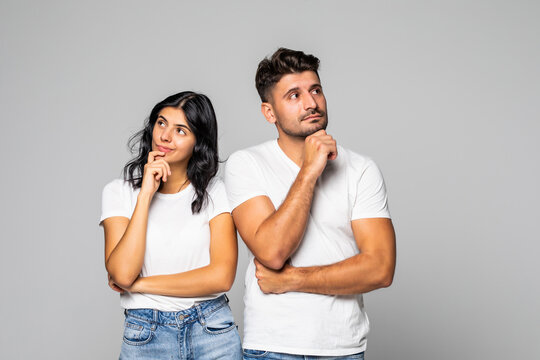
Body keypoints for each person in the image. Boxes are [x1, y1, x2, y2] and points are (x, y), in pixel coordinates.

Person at [224, 48, 396, 359]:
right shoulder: (246, 164)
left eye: (316, 90)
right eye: (293, 95)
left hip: (343, 348)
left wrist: (293, 280)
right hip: (273, 347)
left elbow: (380, 268)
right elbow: (273, 252)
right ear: (269, 112)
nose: (311, 103)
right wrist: (309, 170)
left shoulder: (361, 169)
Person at [100, 91, 242, 359]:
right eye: (161, 123)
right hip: (146, 334)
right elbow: (121, 273)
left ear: (197, 142)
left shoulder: (216, 192)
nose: (165, 136)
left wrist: (139, 285)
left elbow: (221, 276)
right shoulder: (118, 193)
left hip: (211, 330)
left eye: (181, 130)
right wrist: (145, 196)